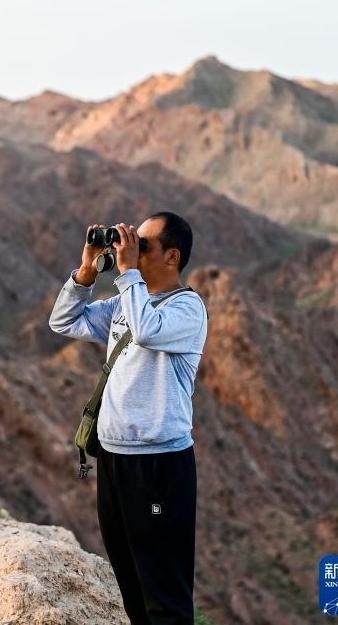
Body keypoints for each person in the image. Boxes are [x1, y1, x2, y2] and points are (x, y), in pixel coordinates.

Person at [47, 212, 208, 625]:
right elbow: (63, 321)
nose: (132, 250)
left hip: (158, 466)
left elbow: (147, 331)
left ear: (172, 256)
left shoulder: (188, 309)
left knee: (163, 589)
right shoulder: (126, 302)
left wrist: (127, 273)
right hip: (114, 459)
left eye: (143, 245)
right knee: (130, 581)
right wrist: (86, 272)